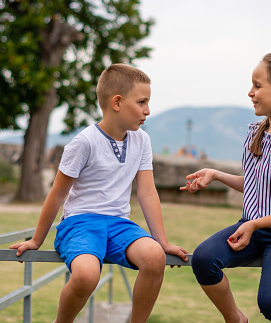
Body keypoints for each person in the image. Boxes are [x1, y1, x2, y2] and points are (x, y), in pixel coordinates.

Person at [10, 64, 189, 323]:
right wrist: (37, 240)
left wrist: (163, 241)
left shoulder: (142, 141)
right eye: (142, 102)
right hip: (80, 224)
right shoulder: (84, 142)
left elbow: (147, 192)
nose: (148, 111)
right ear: (117, 102)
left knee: (154, 257)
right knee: (86, 275)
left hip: (119, 225)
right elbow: (57, 194)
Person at [180, 53, 271, 323]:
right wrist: (216, 175)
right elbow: (257, 186)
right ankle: (235, 318)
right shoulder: (255, 133)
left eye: (258, 86)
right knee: (203, 259)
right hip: (252, 228)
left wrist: (254, 225)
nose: (250, 92)